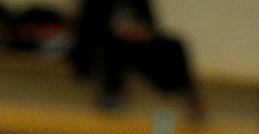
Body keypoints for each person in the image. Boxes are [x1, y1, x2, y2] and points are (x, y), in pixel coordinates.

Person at [70, 0, 203, 119]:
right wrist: (118, 30)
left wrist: (140, 31)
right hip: (111, 42)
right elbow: (88, 28)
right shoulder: (96, 2)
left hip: (137, 43)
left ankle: (184, 91)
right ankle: (112, 93)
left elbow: (151, 25)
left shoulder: (139, 2)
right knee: (113, 47)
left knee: (175, 44)